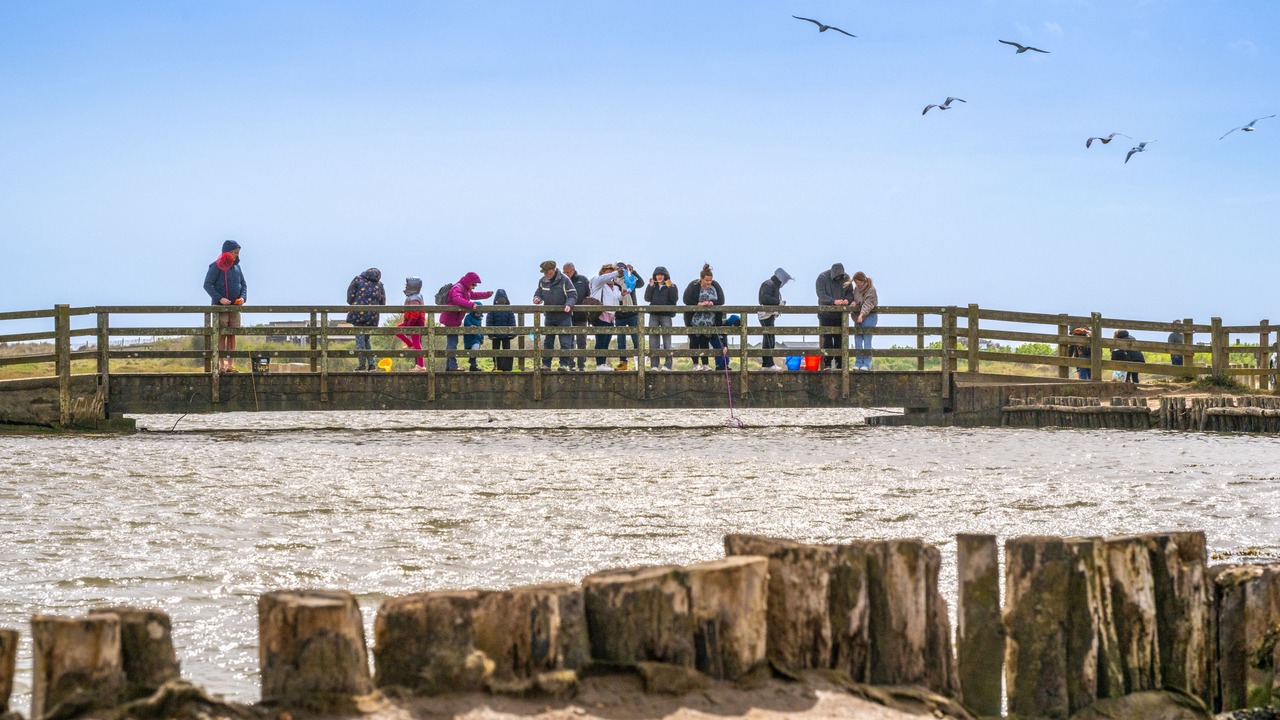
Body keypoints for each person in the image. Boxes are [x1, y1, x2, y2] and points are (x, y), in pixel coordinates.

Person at [203, 240, 247, 372]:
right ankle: (221, 365)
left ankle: (230, 365)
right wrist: (220, 298)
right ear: (227, 252)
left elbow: (244, 285)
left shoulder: (237, 267)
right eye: (234, 253)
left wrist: (243, 298)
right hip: (220, 308)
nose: (236, 256)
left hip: (234, 307)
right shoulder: (215, 266)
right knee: (221, 334)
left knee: (232, 335)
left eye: (237, 253)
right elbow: (207, 284)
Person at [439, 272, 492, 371]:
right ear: (469, 282)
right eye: (473, 284)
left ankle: (449, 366)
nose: (474, 287)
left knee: (451, 341)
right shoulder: (458, 288)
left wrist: (486, 295)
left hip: (454, 319)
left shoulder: (465, 290)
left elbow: (475, 295)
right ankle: (453, 366)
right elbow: (456, 299)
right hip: (450, 319)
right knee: (452, 342)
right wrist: (470, 304)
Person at [532, 260, 578, 371]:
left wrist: (569, 304)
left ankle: (564, 364)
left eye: (548, 272)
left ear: (553, 270)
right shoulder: (542, 281)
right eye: (544, 272)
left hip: (564, 317)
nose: (546, 274)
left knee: (565, 342)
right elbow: (539, 293)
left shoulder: (565, 280)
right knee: (548, 342)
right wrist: (537, 298)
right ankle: (546, 365)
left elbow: (573, 294)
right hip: (549, 316)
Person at [683, 264, 726, 371]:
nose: (708, 282)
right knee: (694, 341)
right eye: (706, 280)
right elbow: (686, 299)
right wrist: (698, 304)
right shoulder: (693, 285)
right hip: (694, 319)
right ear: (701, 278)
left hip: (709, 320)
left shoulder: (715, 286)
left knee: (704, 342)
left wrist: (712, 302)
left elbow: (721, 300)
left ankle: (705, 365)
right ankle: (695, 364)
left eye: (710, 280)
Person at [346, 268, 386, 371]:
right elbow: (382, 302)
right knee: (366, 339)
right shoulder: (379, 284)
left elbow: (350, 297)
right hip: (372, 316)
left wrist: (355, 304)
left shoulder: (358, 280)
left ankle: (362, 365)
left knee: (360, 339)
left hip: (358, 314)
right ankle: (371, 364)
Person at [815, 263, 854, 369]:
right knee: (827, 339)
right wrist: (833, 301)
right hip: (825, 314)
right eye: (837, 276)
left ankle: (839, 363)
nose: (838, 278)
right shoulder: (822, 278)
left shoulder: (846, 278)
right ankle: (827, 363)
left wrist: (847, 300)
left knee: (839, 339)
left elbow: (850, 293)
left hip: (840, 315)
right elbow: (821, 294)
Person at [588, 264, 624, 371]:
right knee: (600, 340)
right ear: (602, 273)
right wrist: (617, 272)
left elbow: (617, 298)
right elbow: (604, 278)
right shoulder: (597, 281)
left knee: (607, 340)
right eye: (607, 272)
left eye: (611, 273)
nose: (609, 275)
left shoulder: (615, 287)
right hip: (600, 314)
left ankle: (603, 363)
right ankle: (599, 364)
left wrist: (623, 294)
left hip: (611, 315)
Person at [644, 266, 679, 370]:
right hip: (654, 314)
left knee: (667, 340)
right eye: (658, 275)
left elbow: (674, 299)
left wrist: (672, 287)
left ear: (665, 276)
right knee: (653, 340)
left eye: (661, 275)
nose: (659, 276)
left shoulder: (671, 286)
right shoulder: (652, 286)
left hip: (666, 315)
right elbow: (647, 298)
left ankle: (668, 364)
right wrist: (650, 287)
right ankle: (654, 365)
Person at [613, 263, 646, 370]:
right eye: (618, 269)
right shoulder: (612, 281)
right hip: (619, 313)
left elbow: (641, 283)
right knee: (621, 341)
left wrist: (633, 271)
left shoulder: (630, 278)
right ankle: (623, 363)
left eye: (622, 268)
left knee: (636, 339)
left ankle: (640, 364)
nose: (620, 271)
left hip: (632, 311)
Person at [757, 268, 791, 370]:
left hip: (770, 315)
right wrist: (778, 302)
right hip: (765, 315)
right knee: (768, 339)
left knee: (770, 338)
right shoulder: (769, 284)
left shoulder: (773, 285)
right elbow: (764, 298)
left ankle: (768, 363)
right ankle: (767, 364)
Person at [563, 263, 592, 370]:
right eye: (564, 272)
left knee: (581, 342)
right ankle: (571, 365)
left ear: (573, 270)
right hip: (567, 316)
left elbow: (589, 295)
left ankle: (581, 366)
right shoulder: (562, 281)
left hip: (581, 316)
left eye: (568, 272)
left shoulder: (583, 280)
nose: (566, 274)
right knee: (569, 342)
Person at [848, 271, 878, 371]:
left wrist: (862, 314)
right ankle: (858, 362)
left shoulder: (871, 290)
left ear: (863, 280)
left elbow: (868, 304)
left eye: (859, 282)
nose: (858, 284)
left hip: (869, 316)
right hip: (858, 317)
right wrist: (853, 303)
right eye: (856, 283)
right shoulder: (856, 289)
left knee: (867, 340)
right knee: (858, 340)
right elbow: (855, 299)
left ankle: (866, 363)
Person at [395, 277, 426, 371]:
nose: (405, 286)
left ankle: (420, 365)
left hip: (415, 323)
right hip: (411, 322)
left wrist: (409, 324)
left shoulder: (414, 298)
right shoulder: (414, 296)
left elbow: (415, 313)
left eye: (407, 285)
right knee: (397, 330)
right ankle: (410, 345)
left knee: (417, 344)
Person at [487, 289, 518, 372]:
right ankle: (497, 365)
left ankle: (505, 367)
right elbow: (489, 323)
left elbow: (512, 322)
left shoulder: (495, 310)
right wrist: (490, 334)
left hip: (503, 335)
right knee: (497, 350)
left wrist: (513, 333)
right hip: (499, 335)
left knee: (505, 350)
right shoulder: (495, 310)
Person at [463, 303, 484, 371]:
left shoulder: (479, 320)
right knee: (473, 350)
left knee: (475, 349)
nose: (477, 314)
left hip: (477, 338)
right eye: (476, 313)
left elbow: (480, 329)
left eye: (479, 313)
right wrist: (470, 325)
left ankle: (473, 365)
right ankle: (473, 365)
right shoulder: (469, 316)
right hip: (469, 337)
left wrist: (482, 338)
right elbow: (466, 322)